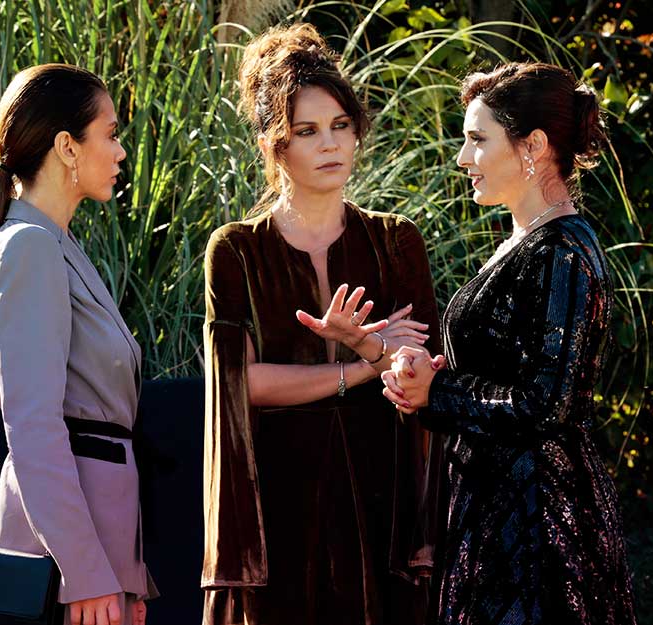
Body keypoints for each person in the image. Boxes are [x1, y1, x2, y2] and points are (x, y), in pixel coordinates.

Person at [200, 23, 445, 625]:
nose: (330, 144)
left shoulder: (396, 241)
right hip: (276, 505)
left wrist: (382, 355)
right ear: (274, 145)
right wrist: (363, 365)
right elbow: (239, 385)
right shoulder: (235, 250)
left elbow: (424, 372)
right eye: (307, 131)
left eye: (340, 126)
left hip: (380, 501)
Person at [381, 62, 637, 625]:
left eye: (478, 140)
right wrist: (425, 377)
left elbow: (547, 403)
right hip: (500, 509)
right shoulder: (528, 241)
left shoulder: (562, 252)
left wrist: (439, 392)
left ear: (534, 147)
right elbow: (505, 377)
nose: (462, 158)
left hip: (538, 527)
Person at [0, 64, 155, 625]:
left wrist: (127, 574)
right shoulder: (32, 247)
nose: (120, 151)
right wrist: (87, 572)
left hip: (86, 556)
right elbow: (35, 427)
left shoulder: (53, 244)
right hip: (61, 565)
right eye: (110, 134)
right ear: (67, 147)